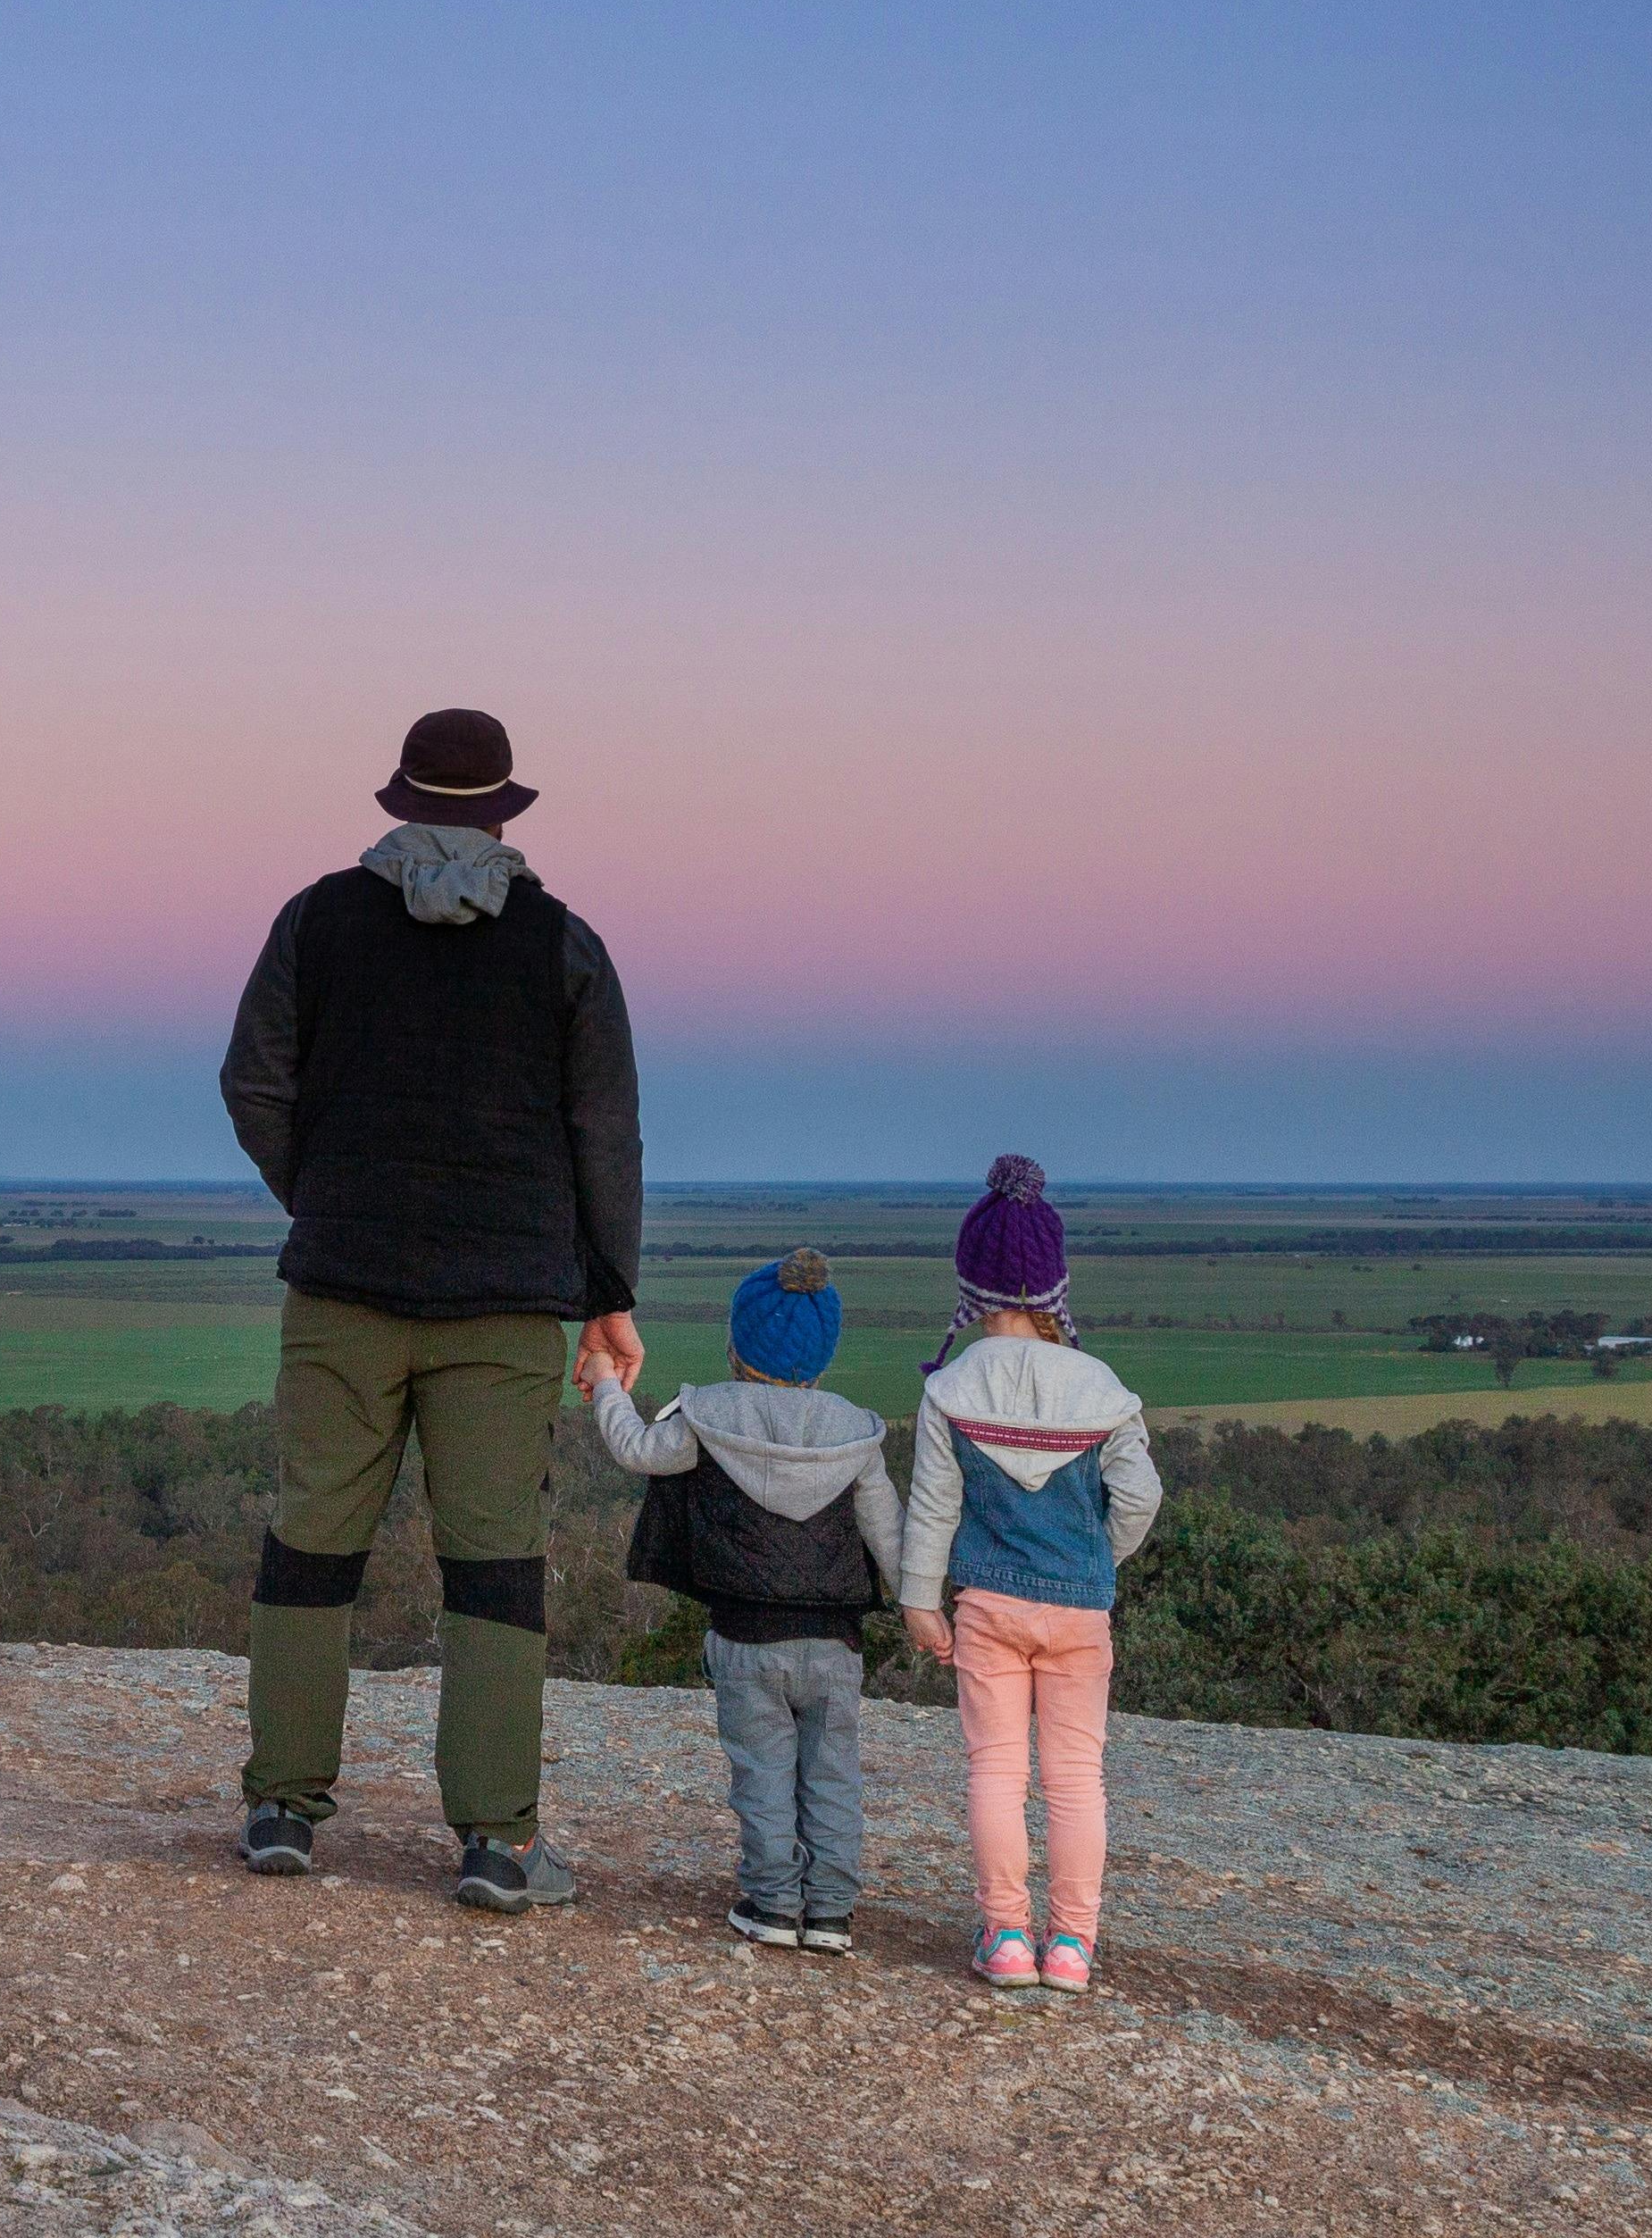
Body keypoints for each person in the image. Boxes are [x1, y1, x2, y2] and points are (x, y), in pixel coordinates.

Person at [218, 707, 644, 1914]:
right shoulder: (565, 948)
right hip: (508, 1304)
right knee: (496, 1566)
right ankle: (497, 1844)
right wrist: (609, 1294)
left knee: (312, 1545)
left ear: (401, 804)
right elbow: (605, 1133)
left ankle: (281, 1812)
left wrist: (328, 1192)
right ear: (505, 815)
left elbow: (253, 1080)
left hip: (342, 1286)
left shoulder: (316, 922)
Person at [895, 1157, 1162, 1994]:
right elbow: (1141, 1497)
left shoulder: (952, 1388)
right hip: (1079, 1613)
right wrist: (1097, 1562)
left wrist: (918, 1602)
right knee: (1078, 1778)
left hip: (986, 1609)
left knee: (996, 1770)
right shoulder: (1103, 1388)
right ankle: (1072, 1947)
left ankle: (1006, 1937)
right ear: (1054, 1283)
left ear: (969, 1287)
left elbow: (933, 1507)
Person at [592, 1248, 898, 1953]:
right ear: (823, 1355)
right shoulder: (857, 1432)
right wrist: (927, 1608)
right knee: (833, 1773)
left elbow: (636, 1449)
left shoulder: (709, 1417)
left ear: (736, 1343)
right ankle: (828, 1914)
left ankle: (770, 1904)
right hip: (836, 1644)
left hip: (744, 1639)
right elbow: (891, 1538)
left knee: (761, 1773)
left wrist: (607, 1382)